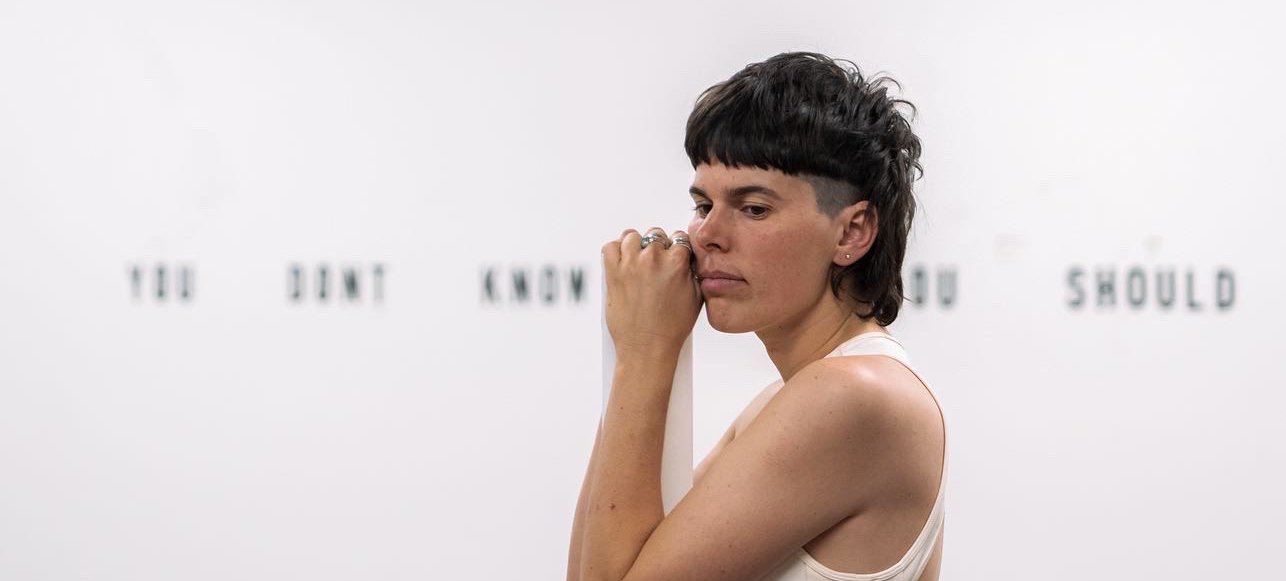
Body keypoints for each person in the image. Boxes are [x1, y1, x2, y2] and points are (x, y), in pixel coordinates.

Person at [567, 52, 946, 581]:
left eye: (753, 208)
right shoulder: (784, 401)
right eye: (703, 206)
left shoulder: (853, 397)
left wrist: (645, 348)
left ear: (852, 232)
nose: (707, 235)